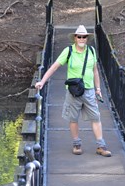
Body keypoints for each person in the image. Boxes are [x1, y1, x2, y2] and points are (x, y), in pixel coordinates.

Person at [35, 25, 111, 157]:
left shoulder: (91, 51)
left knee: (96, 117)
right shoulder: (68, 51)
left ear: (87, 38)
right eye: (79, 36)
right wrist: (42, 81)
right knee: (73, 118)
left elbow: (95, 71)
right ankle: (77, 144)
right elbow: (54, 67)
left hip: (89, 90)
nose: (82, 39)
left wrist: (98, 88)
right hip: (73, 91)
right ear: (75, 38)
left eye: (84, 37)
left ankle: (101, 146)